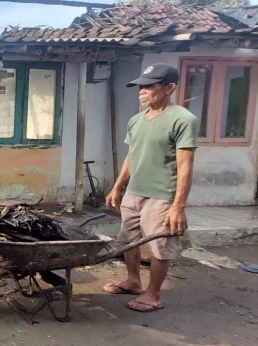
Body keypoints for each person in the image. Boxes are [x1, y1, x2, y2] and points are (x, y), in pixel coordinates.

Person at [103, 63, 198, 313]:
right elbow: (131, 155)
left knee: (159, 246)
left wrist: (178, 206)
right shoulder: (136, 120)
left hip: (162, 194)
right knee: (128, 240)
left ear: (169, 88)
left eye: (149, 86)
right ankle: (133, 282)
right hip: (135, 191)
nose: (142, 91)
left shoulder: (183, 119)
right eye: (140, 86)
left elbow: (185, 165)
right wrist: (118, 186)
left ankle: (153, 294)